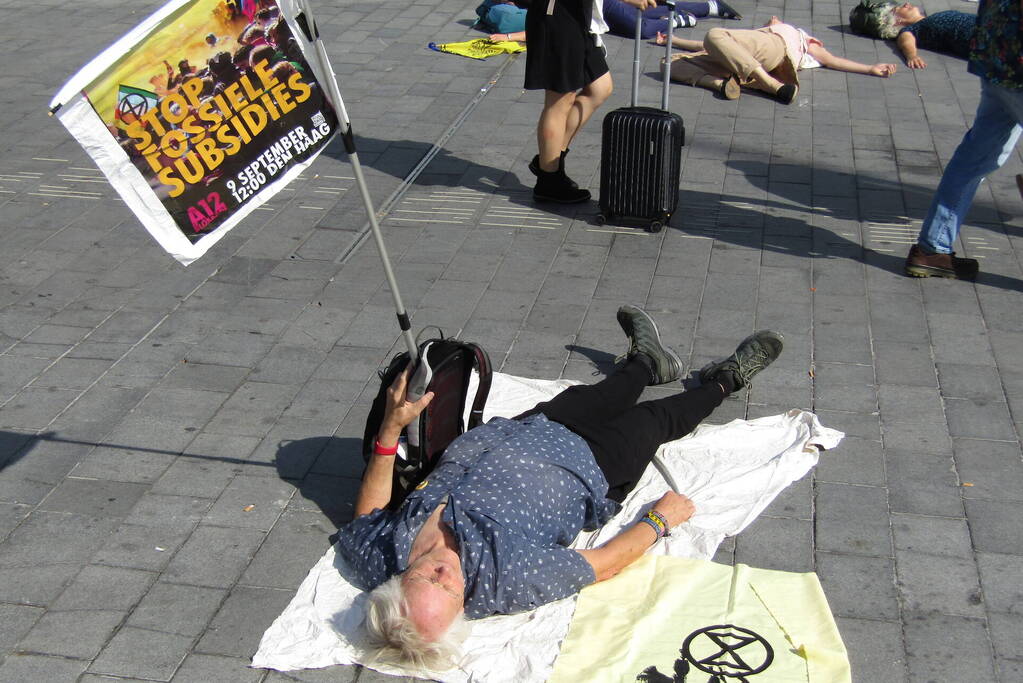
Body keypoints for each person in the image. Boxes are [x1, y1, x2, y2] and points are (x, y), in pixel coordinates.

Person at [335, 305, 785, 670]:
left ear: (399, 580)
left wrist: (390, 433)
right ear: (460, 610)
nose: (444, 573)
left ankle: (649, 362)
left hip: (531, 429)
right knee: (657, 419)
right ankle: (727, 379)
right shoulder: (506, 580)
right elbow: (604, 563)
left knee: (606, 393)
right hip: (594, 467)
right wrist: (660, 519)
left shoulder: (383, 556)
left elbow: (365, 517)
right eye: (450, 590)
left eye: (426, 577)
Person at [903, 0, 1020, 279]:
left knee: (973, 159)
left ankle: (932, 249)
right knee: (974, 159)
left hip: (996, 58)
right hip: (1014, 62)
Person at [525, 0, 660, 204]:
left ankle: (549, 159)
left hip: (577, 16)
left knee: (600, 88)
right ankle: (548, 179)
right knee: (560, 99)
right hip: (556, 15)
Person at [661, 16, 897, 102]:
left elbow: (832, 60)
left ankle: (770, 84)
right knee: (668, 63)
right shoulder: (754, 35)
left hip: (774, 49)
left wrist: (870, 68)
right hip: (738, 62)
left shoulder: (800, 38)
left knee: (714, 33)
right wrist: (673, 40)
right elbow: (711, 47)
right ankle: (721, 85)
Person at [491, 0, 743, 43]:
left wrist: (508, 37)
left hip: (601, 5)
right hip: (595, 9)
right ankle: (709, 6)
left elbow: (543, 27)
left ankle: (680, 19)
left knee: (640, 27)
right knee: (646, 14)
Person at [848, 1, 975, 69]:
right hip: (978, 37)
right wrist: (912, 56)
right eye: (899, 8)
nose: (907, 4)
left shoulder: (925, 21)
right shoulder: (914, 29)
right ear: (896, 21)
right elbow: (905, 40)